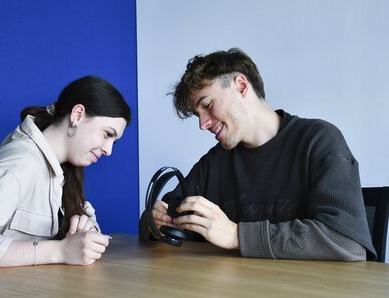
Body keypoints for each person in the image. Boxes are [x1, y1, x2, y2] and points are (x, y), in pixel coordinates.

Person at [139, 48, 376, 261]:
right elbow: (167, 222)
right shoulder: (215, 162)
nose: (202, 124)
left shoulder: (319, 140)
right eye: (197, 114)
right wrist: (154, 223)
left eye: (208, 105)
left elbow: (347, 242)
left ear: (241, 86)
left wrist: (236, 236)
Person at [0, 75, 131, 269]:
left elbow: (85, 228)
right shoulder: (19, 163)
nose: (109, 150)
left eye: (114, 142)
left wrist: (85, 233)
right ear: (77, 115)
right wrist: (60, 250)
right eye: (107, 134)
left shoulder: (65, 168)